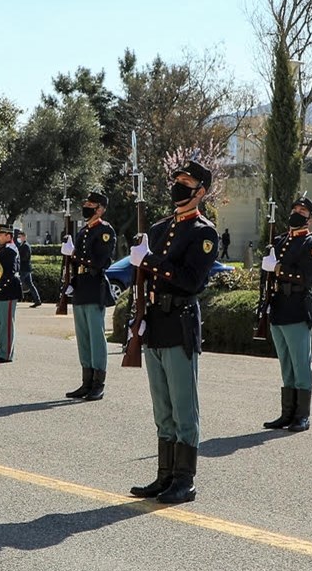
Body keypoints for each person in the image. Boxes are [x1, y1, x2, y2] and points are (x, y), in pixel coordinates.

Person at [127, 160, 219, 504]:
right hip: (156, 323)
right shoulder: (159, 227)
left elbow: (191, 281)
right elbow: (144, 279)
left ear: (200, 191)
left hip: (180, 321)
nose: (178, 185)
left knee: (184, 408)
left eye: (186, 181)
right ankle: (164, 476)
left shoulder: (204, 233)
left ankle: (185, 480)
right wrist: (139, 317)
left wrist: (149, 261)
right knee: (162, 408)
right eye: (177, 179)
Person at [260, 196, 312, 432]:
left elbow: (306, 277)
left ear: (310, 218)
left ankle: (302, 416)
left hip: (298, 307)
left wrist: (278, 268)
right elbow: (267, 277)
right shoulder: (279, 241)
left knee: (300, 364)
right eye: (295, 208)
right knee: (286, 364)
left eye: (303, 210)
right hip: (278, 307)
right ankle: (287, 414)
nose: (297, 212)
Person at [61, 189, 116, 401]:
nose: (87, 207)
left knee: (96, 337)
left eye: (91, 205)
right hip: (82, 286)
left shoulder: (104, 230)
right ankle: (86, 381)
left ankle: (98, 383)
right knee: (83, 337)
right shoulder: (83, 231)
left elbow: (100, 261)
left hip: (94, 286)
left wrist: (74, 254)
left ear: (100, 209)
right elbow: (77, 261)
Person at [0, 224, 23, 363]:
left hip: (7, 291)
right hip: (0, 292)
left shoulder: (11, 250)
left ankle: (6, 354)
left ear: (8, 236)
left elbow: (10, 273)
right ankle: (0, 351)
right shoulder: (2, 249)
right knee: (0, 324)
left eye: (1, 235)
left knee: (6, 325)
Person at [16, 228, 41, 307]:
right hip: (26, 268)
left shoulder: (26, 246)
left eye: (20, 237)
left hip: (24, 268)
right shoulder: (22, 245)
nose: (19, 238)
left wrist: (19, 259)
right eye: (19, 237)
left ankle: (16, 299)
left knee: (18, 284)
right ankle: (37, 300)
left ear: (24, 237)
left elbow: (25, 257)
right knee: (30, 285)